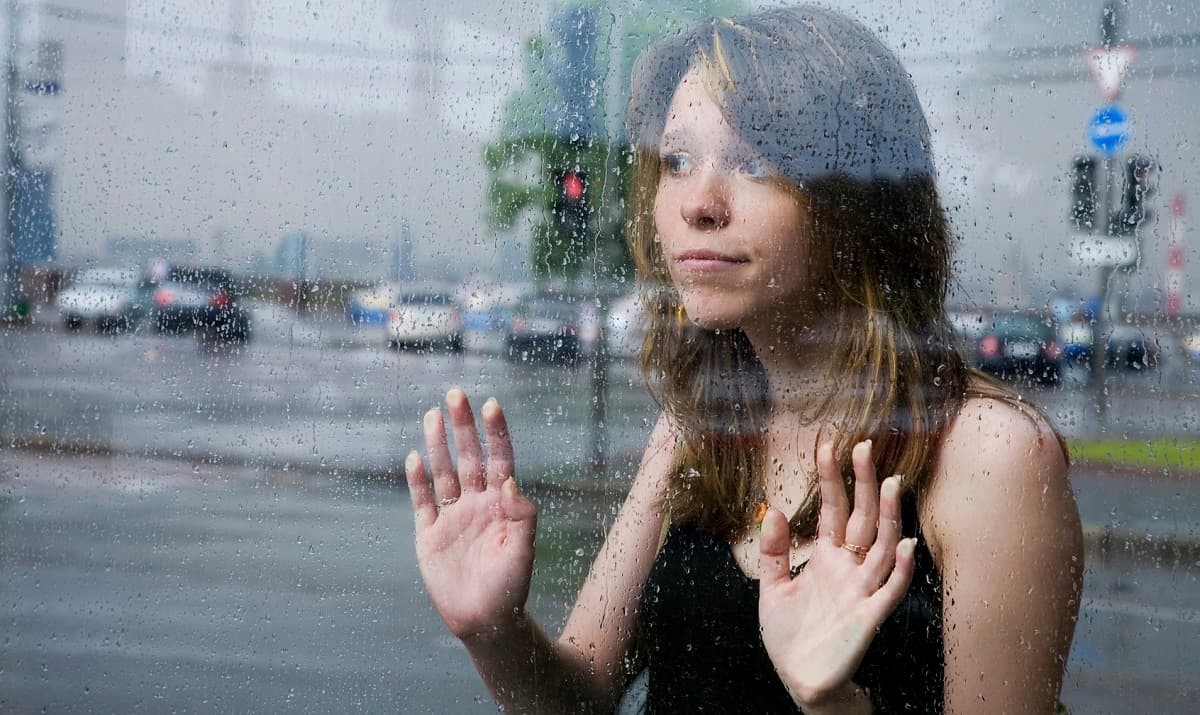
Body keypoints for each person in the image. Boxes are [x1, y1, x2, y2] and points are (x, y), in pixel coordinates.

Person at [404, 6, 1083, 713]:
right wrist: (494, 630)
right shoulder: (696, 425)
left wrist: (831, 703)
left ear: (856, 199)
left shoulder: (989, 455)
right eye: (678, 160)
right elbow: (579, 702)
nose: (698, 202)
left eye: (754, 161)